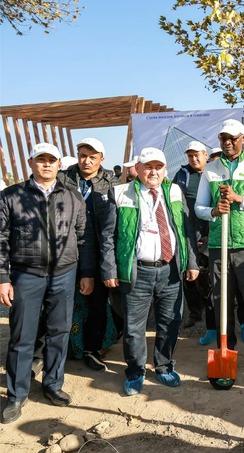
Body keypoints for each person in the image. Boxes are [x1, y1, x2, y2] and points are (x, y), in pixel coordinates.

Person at [0, 143, 95, 424]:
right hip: (25, 274)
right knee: (21, 336)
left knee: (59, 331)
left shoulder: (72, 196)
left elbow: (83, 238)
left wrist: (87, 273)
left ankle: (53, 384)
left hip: (64, 273)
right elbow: (1, 239)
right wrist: (3, 278)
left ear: (58, 164)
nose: (46, 165)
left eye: (51, 160)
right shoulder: (11, 196)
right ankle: (16, 394)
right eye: (40, 160)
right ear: (31, 163)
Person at [101, 147, 199, 395]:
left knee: (170, 322)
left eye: (158, 167)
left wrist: (192, 262)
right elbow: (108, 237)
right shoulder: (121, 193)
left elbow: (186, 230)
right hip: (138, 271)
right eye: (148, 166)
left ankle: (164, 366)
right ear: (139, 168)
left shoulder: (175, 191)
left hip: (171, 270)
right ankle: (135, 371)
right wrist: (110, 269)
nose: (153, 171)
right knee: (134, 327)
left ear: (165, 170)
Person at [194, 119, 244, 382]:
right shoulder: (211, 170)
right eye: (222, 138)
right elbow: (199, 208)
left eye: (232, 138)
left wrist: (240, 199)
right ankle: (226, 352)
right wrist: (215, 211)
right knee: (221, 304)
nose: (227, 142)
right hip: (219, 246)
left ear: (243, 139)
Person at [57, 137, 121, 371]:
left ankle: (91, 350)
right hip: (66, 252)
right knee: (63, 304)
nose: (87, 160)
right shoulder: (62, 178)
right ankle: (59, 350)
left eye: (92, 157)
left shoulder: (112, 182)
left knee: (97, 303)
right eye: (83, 155)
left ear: (101, 159)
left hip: (99, 251)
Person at [172, 140, 211, 330]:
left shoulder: (212, 173)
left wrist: (208, 234)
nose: (194, 159)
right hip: (187, 229)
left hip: (210, 230)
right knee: (188, 271)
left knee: (210, 274)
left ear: (205, 155)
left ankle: (213, 315)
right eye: (190, 155)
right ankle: (195, 313)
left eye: (197, 155)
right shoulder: (182, 174)